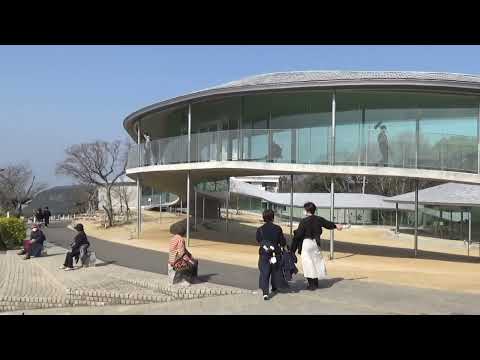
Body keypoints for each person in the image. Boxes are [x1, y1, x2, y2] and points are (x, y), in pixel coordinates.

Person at [291, 202, 343, 291]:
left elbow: (298, 235)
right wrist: (336, 226)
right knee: (316, 262)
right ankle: (316, 282)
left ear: (306, 210)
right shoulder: (319, 219)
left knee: (308, 264)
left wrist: (292, 249)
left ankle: (311, 284)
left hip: (306, 244)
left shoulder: (303, 221)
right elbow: (328, 224)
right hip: (316, 243)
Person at [256, 209, 287, 300]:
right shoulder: (278, 228)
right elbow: (282, 241)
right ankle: (274, 287)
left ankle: (265, 293)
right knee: (275, 270)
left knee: (264, 272)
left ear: (263, 218)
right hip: (275, 253)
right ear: (273, 217)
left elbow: (258, 240)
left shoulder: (260, 229)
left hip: (264, 253)